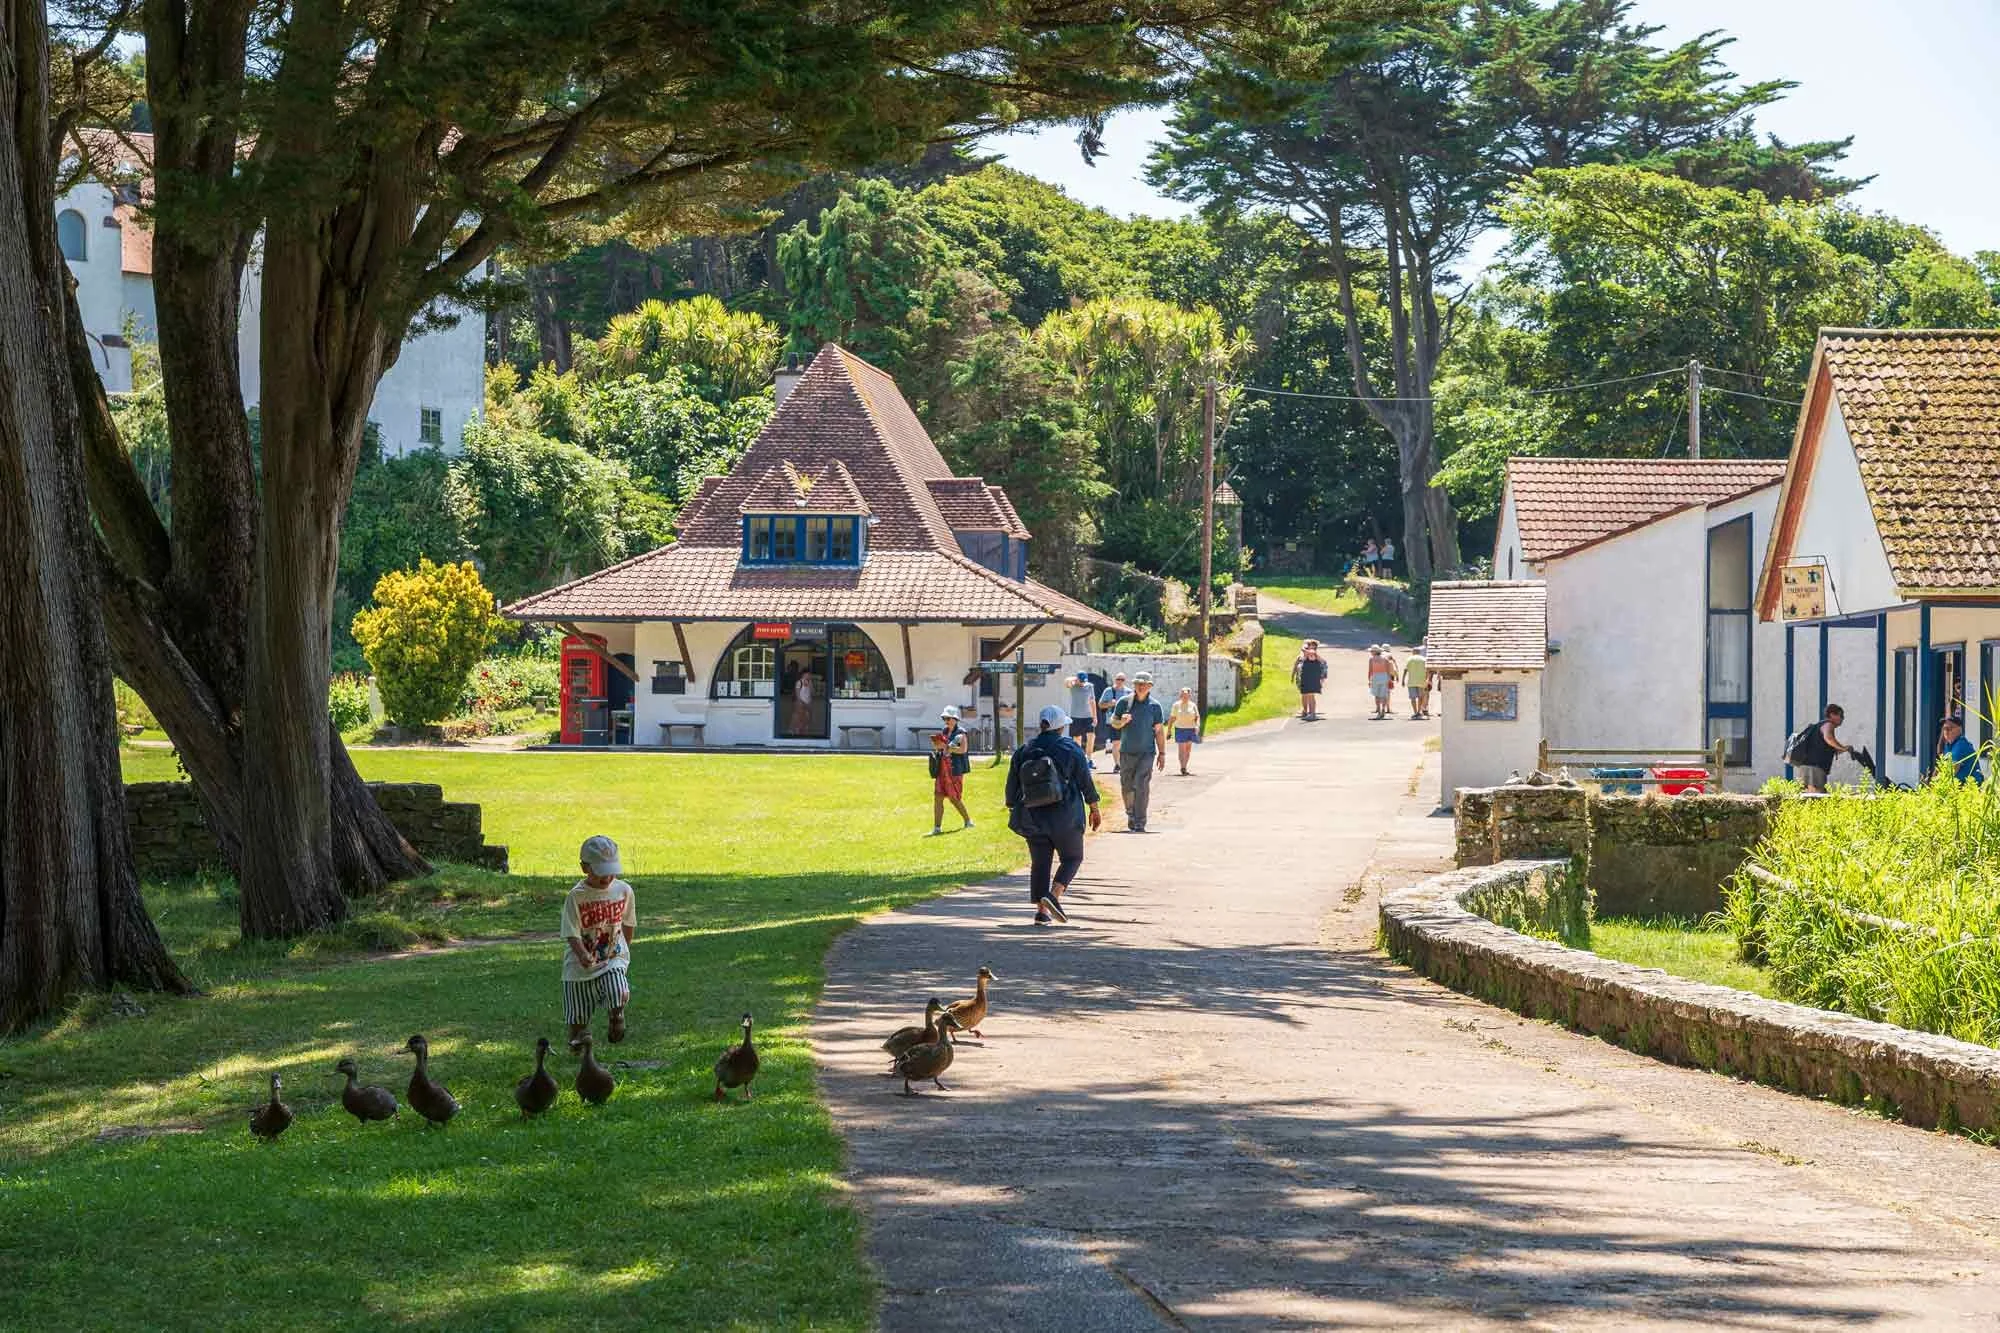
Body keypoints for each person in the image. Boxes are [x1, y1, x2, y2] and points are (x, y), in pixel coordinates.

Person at [1005, 704, 1103, 925]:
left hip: (1033, 816)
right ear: (1060, 727)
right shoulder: (1070, 748)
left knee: (1040, 863)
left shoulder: (1025, 750)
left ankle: (1042, 913)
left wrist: (1013, 808)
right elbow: (1085, 781)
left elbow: (1012, 787)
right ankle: (1053, 896)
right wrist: (1094, 808)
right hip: (1065, 815)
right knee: (1072, 857)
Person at [563, 835, 636, 1051]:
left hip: (612, 958)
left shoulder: (623, 890)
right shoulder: (576, 897)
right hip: (578, 967)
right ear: (584, 868)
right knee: (578, 1015)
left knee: (619, 991)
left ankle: (616, 1017)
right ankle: (577, 1043)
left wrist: (624, 951)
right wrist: (582, 954)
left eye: (611, 871)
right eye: (601, 872)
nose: (607, 878)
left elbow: (628, 923)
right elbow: (571, 931)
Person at [1109, 670, 1169, 831]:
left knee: (1141, 785)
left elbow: (1159, 731)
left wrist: (1162, 753)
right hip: (1127, 752)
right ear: (1134, 685)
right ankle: (1131, 814)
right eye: (1138, 684)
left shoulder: (1155, 706)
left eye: (1144, 684)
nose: (1141, 687)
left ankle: (1140, 821)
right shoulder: (1124, 703)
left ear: (1150, 686)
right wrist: (1121, 722)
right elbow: (1113, 723)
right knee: (1127, 786)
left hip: (1146, 753)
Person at [927, 706, 974, 835]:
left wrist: (947, 747)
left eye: (948, 718)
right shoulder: (944, 731)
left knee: (954, 798)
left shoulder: (961, 733)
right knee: (938, 797)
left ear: (955, 719)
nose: (946, 721)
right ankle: (937, 828)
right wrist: (938, 747)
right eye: (944, 718)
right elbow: (942, 749)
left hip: (954, 769)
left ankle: (968, 821)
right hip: (942, 768)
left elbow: (963, 750)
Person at [1786, 703, 1850, 793]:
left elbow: (1830, 746)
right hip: (1814, 769)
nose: (1842, 718)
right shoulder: (1828, 724)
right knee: (1817, 797)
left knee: (1806, 798)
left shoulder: (1818, 726)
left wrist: (1843, 749)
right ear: (1832, 715)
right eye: (1841, 715)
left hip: (1806, 767)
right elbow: (1828, 738)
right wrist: (1843, 748)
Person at [1096, 672, 1132, 772]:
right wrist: (1110, 704)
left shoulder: (1129, 692)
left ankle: (1124, 763)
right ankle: (1117, 764)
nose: (1120, 681)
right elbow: (1100, 705)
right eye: (1118, 679)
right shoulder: (1108, 691)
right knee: (1116, 743)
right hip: (1113, 721)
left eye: (1122, 680)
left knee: (1125, 743)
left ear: (1125, 681)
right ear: (1115, 680)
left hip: (1126, 721)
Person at [1939, 715, 1985, 782]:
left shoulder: (1961, 744)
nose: (1946, 731)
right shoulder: (1949, 745)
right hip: (1961, 786)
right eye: (1945, 729)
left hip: (1971, 787)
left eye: (1950, 728)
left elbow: (1952, 771)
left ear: (1959, 729)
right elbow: (1943, 768)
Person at [1169, 686, 1201, 775]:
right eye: (1183, 695)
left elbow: (1197, 717)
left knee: (1188, 750)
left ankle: (1185, 766)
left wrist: (1197, 726)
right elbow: (1172, 718)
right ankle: (1182, 767)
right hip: (1180, 729)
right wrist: (1169, 730)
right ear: (1180, 695)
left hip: (1191, 729)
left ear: (1189, 696)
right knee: (1182, 749)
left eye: (1186, 695)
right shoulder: (1176, 705)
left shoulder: (1193, 705)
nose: (1185, 697)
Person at [1065, 674, 1099, 755]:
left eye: (1084, 681)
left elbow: (1092, 701)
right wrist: (1074, 679)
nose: (1083, 683)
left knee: (1091, 737)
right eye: (1081, 681)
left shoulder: (1090, 686)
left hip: (1088, 716)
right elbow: (1066, 682)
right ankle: (1079, 758)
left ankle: (1089, 759)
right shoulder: (1073, 686)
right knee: (1077, 738)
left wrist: (1095, 717)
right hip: (1076, 716)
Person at [1292, 641, 1326, 720]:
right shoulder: (1306, 656)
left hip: (1311, 679)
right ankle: (1308, 712)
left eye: (1309, 646)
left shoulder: (1313, 654)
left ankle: (1312, 713)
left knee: (1311, 696)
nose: (1307, 648)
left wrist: (1304, 648)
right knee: (1307, 695)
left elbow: (1310, 652)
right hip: (1306, 678)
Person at [1366, 645, 1394, 720]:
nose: (1371, 652)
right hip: (1384, 676)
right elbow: (1388, 670)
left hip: (1375, 676)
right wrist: (1390, 679)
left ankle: (1379, 710)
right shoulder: (1385, 659)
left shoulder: (1371, 659)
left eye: (1372, 651)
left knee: (1377, 694)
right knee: (1383, 694)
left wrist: (1369, 680)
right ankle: (1383, 710)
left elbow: (1370, 671)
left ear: (1375, 652)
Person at [1402, 647, 1430, 719]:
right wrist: (1427, 679)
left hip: (1411, 681)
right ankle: (1419, 711)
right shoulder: (1424, 659)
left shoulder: (1409, 659)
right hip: (1421, 681)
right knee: (1421, 697)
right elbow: (1427, 670)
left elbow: (1405, 670)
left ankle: (1415, 712)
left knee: (1413, 698)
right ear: (1419, 652)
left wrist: (1403, 680)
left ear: (1413, 652)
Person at [791, 668, 815, 734]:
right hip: (800, 703)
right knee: (799, 717)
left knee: (807, 718)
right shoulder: (799, 682)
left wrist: (810, 685)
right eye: (808, 674)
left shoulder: (810, 682)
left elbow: (813, 693)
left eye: (809, 674)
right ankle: (796, 731)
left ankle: (804, 731)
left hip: (808, 702)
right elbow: (797, 694)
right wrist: (801, 703)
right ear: (803, 674)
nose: (809, 676)